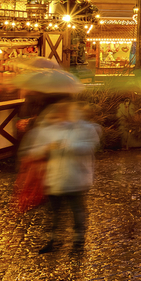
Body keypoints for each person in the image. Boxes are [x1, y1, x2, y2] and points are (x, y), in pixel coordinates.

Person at [20, 102, 101, 253]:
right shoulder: (48, 130)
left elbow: (90, 147)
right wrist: (46, 148)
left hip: (76, 177)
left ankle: (78, 242)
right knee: (55, 211)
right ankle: (54, 241)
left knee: (77, 210)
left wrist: (68, 146)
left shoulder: (84, 128)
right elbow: (34, 151)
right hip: (55, 178)